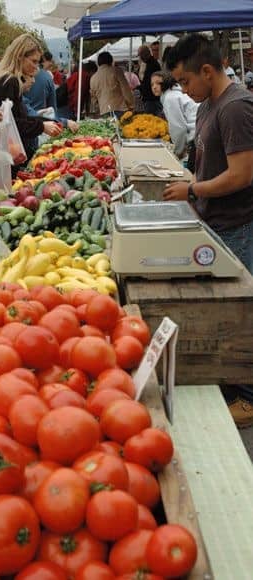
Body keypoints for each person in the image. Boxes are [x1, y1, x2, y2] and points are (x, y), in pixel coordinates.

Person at [163, 33, 253, 428]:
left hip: (239, 227)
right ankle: (234, 384)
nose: (184, 90)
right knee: (226, 310)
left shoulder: (236, 108)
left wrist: (194, 189)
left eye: (185, 82)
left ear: (206, 70)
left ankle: (249, 398)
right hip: (214, 222)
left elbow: (241, 175)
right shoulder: (206, 107)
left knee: (243, 312)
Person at [0, 34, 62, 163]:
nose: (36, 67)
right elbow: (13, 123)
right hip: (5, 156)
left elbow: (15, 117)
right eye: (34, 61)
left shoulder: (0, 76)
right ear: (20, 56)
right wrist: (42, 126)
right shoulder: (10, 81)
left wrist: (43, 121)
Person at [151, 71, 198, 171]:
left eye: (158, 83)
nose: (154, 87)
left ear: (167, 82)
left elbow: (179, 129)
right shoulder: (173, 94)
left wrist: (178, 153)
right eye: (152, 84)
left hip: (197, 139)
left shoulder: (170, 98)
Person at [90, 52, 134, 117]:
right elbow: (126, 90)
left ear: (98, 63)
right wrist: (131, 105)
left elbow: (94, 99)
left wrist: (99, 109)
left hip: (104, 111)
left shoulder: (93, 78)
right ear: (110, 61)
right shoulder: (117, 71)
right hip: (120, 109)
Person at [138, 45, 162, 115]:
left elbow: (149, 82)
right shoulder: (150, 64)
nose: (140, 58)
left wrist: (140, 87)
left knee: (150, 120)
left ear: (145, 54)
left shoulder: (153, 64)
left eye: (140, 55)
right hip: (151, 99)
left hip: (152, 99)